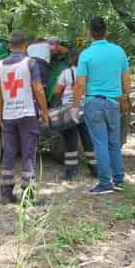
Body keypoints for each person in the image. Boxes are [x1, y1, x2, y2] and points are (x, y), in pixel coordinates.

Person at [72, 17, 132, 195]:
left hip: (93, 103)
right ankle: (119, 180)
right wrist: (125, 98)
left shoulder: (86, 54)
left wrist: (75, 106)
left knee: (100, 144)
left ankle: (105, 183)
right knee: (114, 142)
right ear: (106, 31)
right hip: (114, 103)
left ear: (89, 33)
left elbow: (80, 84)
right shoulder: (119, 52)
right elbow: (126, 80)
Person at [0, 30, 49, 204]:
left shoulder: (0, 65)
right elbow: (39, 89)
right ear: (26, 46)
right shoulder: (30, 63)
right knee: (28, 154)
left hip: (9, 115)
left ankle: (6, 194)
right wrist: (45, 112)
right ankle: (28, 195)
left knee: (9, 153)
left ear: (10, 46)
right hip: (27, 114)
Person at [53, 50, 97, 180]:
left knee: (70, 142)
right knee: (88, 140)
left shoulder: (65, 73)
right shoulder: (88, 73)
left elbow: (56, 91)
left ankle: (70, 173)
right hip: (85, 109)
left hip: (68, 110)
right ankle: (95, 170)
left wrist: (56, 105)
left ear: (70, 60)